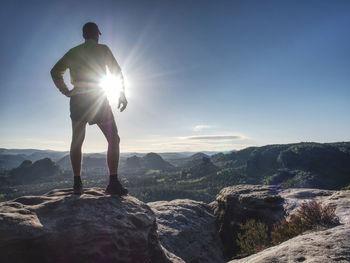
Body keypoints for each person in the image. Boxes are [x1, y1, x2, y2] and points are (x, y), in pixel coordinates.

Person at [50, 22, 128, 196]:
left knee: (77, 140)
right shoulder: (103, 49)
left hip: (78, 99)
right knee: (113, 138)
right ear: (97, 35)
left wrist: (65, 91)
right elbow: (117, 72)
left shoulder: (73, 52)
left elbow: (55, 71)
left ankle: (77, 183)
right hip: (98, 98)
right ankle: (113, 183)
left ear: (84, 35)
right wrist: (121, 94)